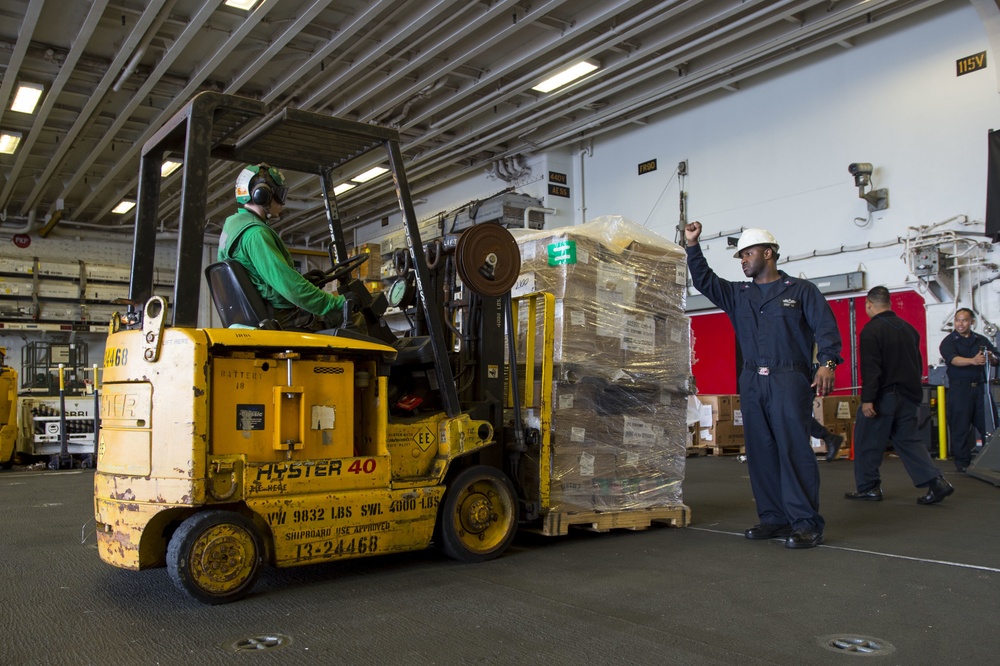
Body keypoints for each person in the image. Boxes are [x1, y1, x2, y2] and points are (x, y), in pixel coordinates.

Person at [685, 223, 842, 549]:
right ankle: (774, 518)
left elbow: (825, 328)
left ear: (768, 253)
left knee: (793, 451)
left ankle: (806, 523)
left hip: (789, 379)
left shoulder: (800, 291)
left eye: (748, 253)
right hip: (752, 380)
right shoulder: (740, 295)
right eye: (740, 255)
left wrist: (827, 363)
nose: (743, 260)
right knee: (761, 452)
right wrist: (692, 245)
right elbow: (704, 280)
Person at [844, 286, 954, 504]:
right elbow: (918, 364)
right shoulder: (909, 329)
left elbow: (871, 369)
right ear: (889, 303)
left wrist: (868, 399)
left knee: (866, 440)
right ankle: (937, 482)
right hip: (909, 396)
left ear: (868, 304)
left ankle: (869, 487)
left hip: (884, 397)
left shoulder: (871, 331)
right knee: (910, 441)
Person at [218, 163, 348, 332]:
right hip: (283, 318)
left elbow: (263, 280)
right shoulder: (256, 235)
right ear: (262, 195)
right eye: (279, 194)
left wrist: (305, 280)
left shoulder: (233, 228)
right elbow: (289, 287)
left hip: (263, 313)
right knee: (355, 314)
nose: (282, 202)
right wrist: (338, 302)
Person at [939, 308, 999, 472]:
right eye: (958, 320)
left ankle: (993, 460)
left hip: (981, 389)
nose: (960, 323)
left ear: (972, 322)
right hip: (960, 390)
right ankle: (963, 463)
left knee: (991, 425)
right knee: (960, 427)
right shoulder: (949, 341)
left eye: (964, 320)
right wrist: (973, 360)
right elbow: (954, 359)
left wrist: (991, 358)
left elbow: (996, 357)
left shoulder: (981, 340)